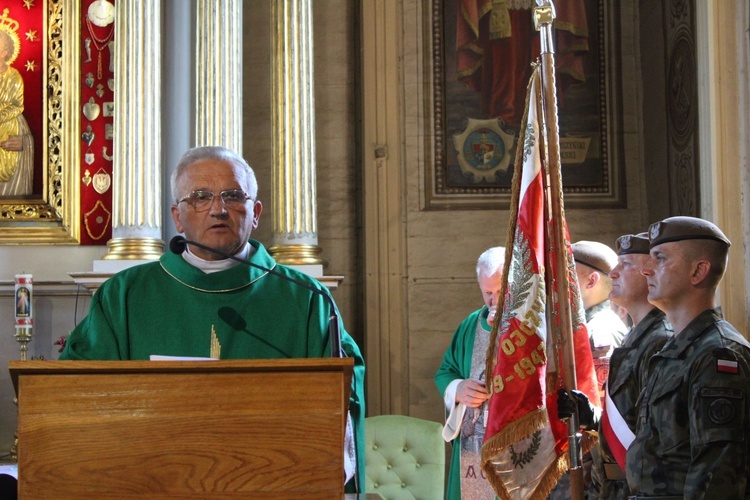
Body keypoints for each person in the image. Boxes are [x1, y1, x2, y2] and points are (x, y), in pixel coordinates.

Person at [59, 145, 366, 493]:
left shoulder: (307, 299)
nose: (218, 209)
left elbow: (343, 387)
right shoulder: (124, 296)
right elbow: (78, 389)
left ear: (255, 213)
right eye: (200, 197)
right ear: (177, 216)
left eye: (233, 196)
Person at [625, 216, 750, 498]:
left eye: (659, 258)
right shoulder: (672, 351)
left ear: (698, 271)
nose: (646, 270)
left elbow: (718, 476)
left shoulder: (718, 355)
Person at [559, 232, 673, 499]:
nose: (614, 274)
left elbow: (658, 432)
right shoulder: (636, 336)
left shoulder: (660, 341)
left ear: (650, 274)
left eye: (627, 265)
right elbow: (628, 415)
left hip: (636, 486)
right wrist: (593, 417)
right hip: (613, 483)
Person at [435, 246, 505, 500]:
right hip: (472, 445)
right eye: (488, 292)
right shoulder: (470, 324)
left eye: (501, 291)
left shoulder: (529, 328)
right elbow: (445, 371)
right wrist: (459, 388)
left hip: (513, 443)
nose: (494, 301)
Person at [571, 240, 627, 404]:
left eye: (567, 276)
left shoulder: (600, 330)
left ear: (591, 281)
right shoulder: (589, 326)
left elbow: (598, 401)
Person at [0, 27, 33, 196]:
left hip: (12, 124)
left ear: (5, 52)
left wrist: (25, 144)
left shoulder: (14, 77)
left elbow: (16, 105)